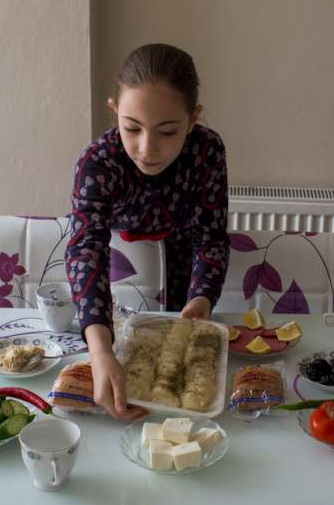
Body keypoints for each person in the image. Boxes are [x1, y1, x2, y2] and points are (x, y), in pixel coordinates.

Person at [65, 43, 230, 420]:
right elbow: (86, 250)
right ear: (114, 112)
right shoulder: (99, 163)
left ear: (192, 119)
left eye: (168, 131)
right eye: (131, 128)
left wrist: (202, 298)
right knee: (122, 358)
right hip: (122, 276)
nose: (146, 149)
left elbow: (211, 236)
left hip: (184, 268)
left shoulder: (207, 151)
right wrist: (100, 348)